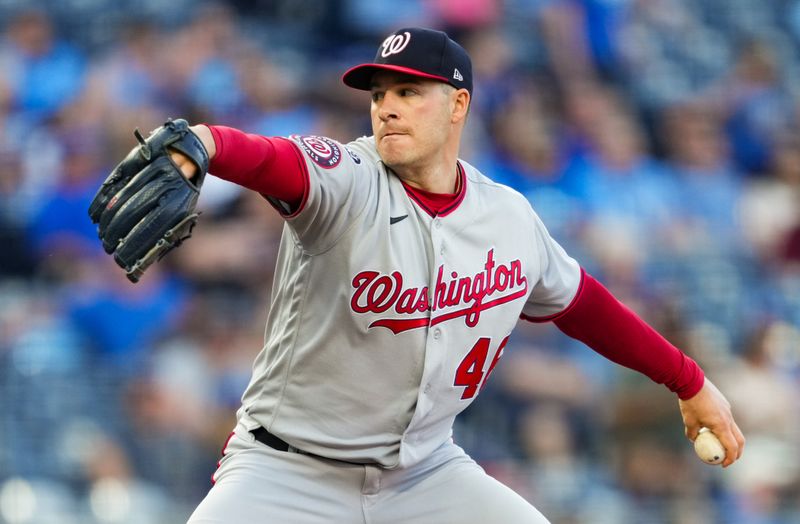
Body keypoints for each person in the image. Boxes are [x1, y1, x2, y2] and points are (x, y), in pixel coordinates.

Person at [171, 28, 744, 523]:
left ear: (458, 104)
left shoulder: (506, 217)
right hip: (287, 470)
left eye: (408, 92)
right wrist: (206, 143)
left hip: (423, 473)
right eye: (379, 94)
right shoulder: (349, 177)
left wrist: (687, 380)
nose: (386, 107)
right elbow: (278, 160)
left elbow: (584, 306)